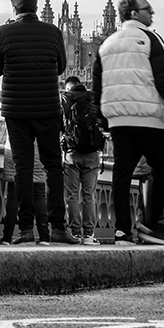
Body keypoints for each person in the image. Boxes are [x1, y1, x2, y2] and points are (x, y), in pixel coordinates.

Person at [94, 0, 164, 246]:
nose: (152, 13)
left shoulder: (106, 45)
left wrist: (104, 122)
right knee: (163, 168)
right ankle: (154, 226)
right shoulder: (151, 39)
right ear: (134, 13)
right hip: (150, 120)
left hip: (119, 123)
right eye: (147, 9)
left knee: (121, 175)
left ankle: (122, 231)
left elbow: (97, 88)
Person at [0, 0, 75, 245]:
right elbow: (61, 67)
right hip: (47, 108)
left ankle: (25, 230)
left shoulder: (2, 32)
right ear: (36, 8)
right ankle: (58, 227)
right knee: (53, 167)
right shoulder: (53, 32)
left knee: (22, 168)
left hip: (17, 110)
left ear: (14, 8)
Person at [0, 88, 49, 244]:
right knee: (39, 192)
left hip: (16, 145)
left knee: (14, 193)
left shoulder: (12, 88)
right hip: (39, 146)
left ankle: (7, 236)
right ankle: (44, 236)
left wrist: (9, 107)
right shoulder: (43, 87)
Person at [60, 76, 104, 245]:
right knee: (89, 195)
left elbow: (59, 125)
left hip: (72, 154)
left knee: (71, 195)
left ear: (68, 88)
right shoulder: (94, 98)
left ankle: (75, 232)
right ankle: (89, 235)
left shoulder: (65, 100)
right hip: (92, 155)